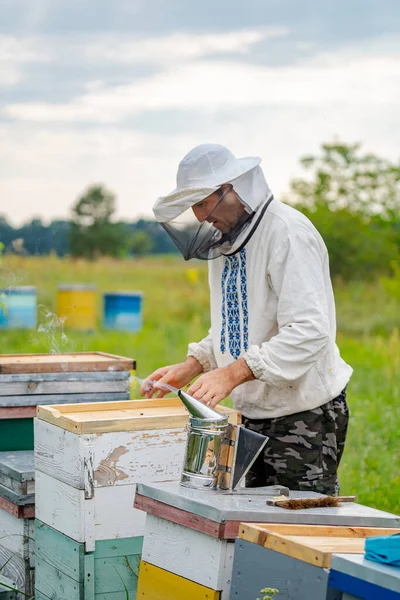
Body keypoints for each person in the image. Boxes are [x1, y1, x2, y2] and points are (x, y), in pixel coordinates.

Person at [141, 143, 353, 495]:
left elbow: (310, 332)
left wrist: (232, 373)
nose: (199, 217)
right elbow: (234, 324)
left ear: (232, 189)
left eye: (202, 203)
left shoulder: (287, 233)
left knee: (296, 529)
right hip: (248, 414)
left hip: (303, 412)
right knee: (249, 523)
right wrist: (195, 364)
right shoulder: (224, 243)